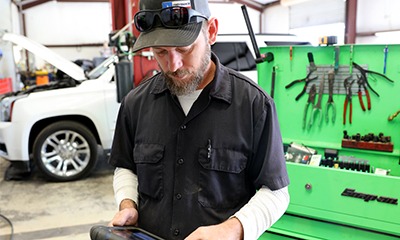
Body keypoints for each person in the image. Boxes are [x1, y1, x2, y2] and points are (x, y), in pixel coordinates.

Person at [108, 0, 290, 239]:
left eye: (184, 49)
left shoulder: (254, 105)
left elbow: (276, 193)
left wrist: (232, 229)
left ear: (211, 31)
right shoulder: (135, 103)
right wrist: (127, 203)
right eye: (161, 52)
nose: (173, 65)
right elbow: (126, 167)